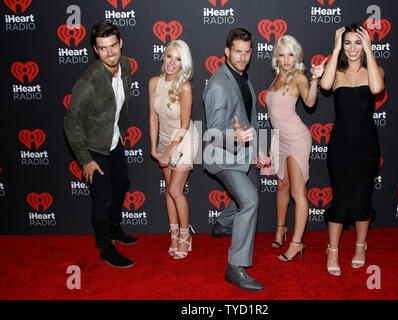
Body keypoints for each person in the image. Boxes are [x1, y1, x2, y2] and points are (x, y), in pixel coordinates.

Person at [64, 21, 137, 268]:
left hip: (113, 140)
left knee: (123, 184)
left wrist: (120, 131)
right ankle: (106, 248)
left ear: (121, 44)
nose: (110, 53)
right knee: (102, 197)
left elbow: (120, 105)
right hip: (94, 147)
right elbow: (71, 124)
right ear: (95, 50)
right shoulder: (88, 82)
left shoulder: (125, 66)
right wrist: (86, 160)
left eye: (113, 46)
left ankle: (114, 228)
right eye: (103, 48)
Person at [203, 28, 266, 292]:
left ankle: (222, 224)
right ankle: (235, 267)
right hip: (221, 155)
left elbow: (248, 118)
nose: (242, 56)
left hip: (240, 150)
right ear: (226, 51)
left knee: (255, 184)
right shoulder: (219, 85)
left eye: (246, 51)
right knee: (250, 200)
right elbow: (214, 134)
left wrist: (257, 148)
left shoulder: (241, 77)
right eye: (237, 51)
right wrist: (238, 138)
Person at [320, 23, 384, 276]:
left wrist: (370, 48)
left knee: (363, 197)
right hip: (340, 145)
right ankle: (332, 250)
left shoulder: (374, 71)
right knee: (341, 197)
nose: (353, 48)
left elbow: (377, 89)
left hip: (367, 144)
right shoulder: (335, 73)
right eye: (348, 42)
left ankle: (360, 247)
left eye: (358, 42)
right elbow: (324, 86)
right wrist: (335, 50)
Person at [266, 35, 324, 262]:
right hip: (279, 139)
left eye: (290, 54)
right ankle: (281, 229)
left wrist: (316, 79)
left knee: (297, 193)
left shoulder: (299, 77)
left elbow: (309, 102)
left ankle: (297, 243)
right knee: (281, 186)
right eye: (282, 54)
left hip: (297, 138)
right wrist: (272, 143)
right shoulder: (277, 77)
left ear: (296, 55)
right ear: (276, 57)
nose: (286, 59)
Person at [149, 39, 199, 260]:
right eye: (170, 56)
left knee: (176, 191)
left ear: (183, 64)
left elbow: (184, 125)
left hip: (183, 139)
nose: (172, 62)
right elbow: (153, 118)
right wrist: (154, 148)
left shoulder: (185, 86)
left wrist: (168, 152)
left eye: (178, 59)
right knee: (169, 189)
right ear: (163, 56)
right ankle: (173, 234)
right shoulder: (153, 83)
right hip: (163, 139)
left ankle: (186, 236)